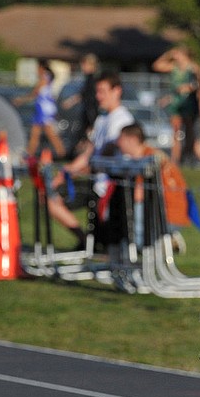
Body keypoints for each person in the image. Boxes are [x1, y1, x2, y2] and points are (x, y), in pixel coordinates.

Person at [45, 71, 134, 250]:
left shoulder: (121, 120)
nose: (98, 96)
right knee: (49, 196)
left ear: (117, 91)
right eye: (97, 91)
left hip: (109, 188)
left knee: (51, 199)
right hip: (95, 183)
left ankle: (88, 241)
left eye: (102, 91)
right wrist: (65, 172)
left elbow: (102, 158)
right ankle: (86, 240)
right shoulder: (102, 119)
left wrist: (76, 171)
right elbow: (88, 155)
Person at [152, 46, 199, 165]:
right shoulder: (174, 67)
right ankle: (175, 158)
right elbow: (157, 66)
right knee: (176, 132)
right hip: (176, 103)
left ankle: (188, 155)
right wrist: (168, 54)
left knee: (189, 131)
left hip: (188, 102)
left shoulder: (192, 67)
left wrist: (189, 87)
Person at [16, 59, 66, 158]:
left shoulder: (44, 78)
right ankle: (30, 154)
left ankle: (62, 153)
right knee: (35, 133)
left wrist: (21, 100)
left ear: (41, 68)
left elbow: (35, 93)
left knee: (50, 133)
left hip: (45, 110)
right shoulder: (46, 77)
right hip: (41, 109)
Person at [61, 53, 100, 159]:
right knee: (82, 136)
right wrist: (70, 102)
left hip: (90, 113)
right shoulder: (89, 80)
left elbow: (90, 99)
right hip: (88, 112)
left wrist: (92, 119)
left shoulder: (93, 80)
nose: (83, 67)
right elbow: (83, 95)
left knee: (85, 137)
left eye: (85, 64)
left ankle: (78, 157)